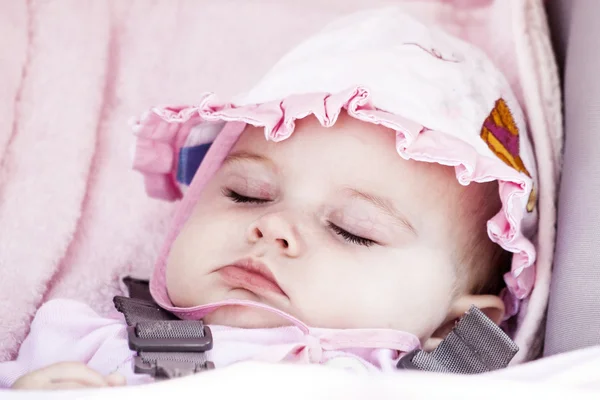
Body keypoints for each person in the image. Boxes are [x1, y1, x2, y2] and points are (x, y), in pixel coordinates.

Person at [4, 8, 537, 390]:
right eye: (246, 194)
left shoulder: (424, 386)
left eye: (353, 229)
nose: (274, 227)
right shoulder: (84, 344)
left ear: (453, 327)